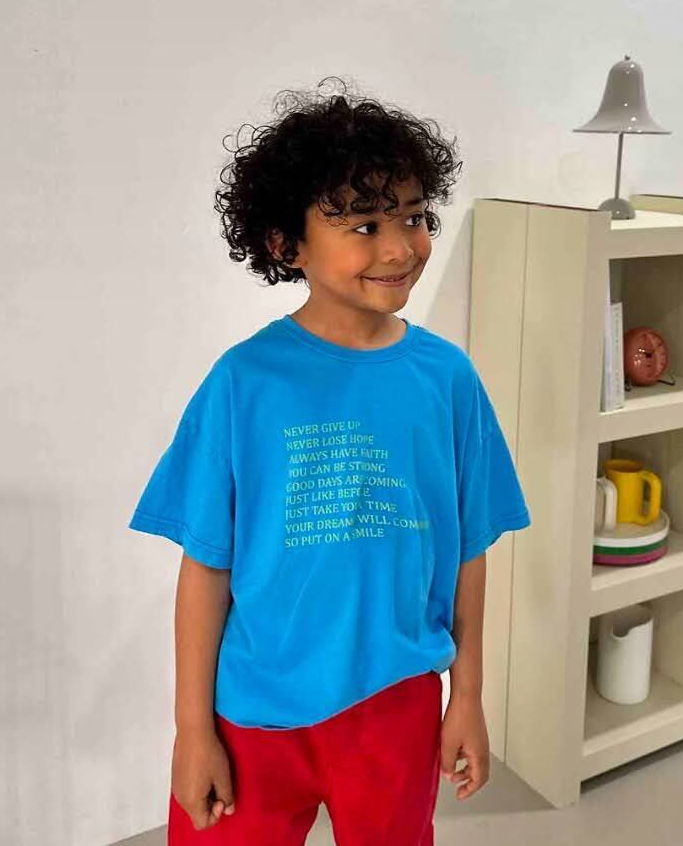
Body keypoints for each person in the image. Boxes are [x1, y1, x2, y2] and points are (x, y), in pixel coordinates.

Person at [128, 78, 532, 844]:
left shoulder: (447, 379)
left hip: (395, 702)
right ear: (287, 244)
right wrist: (192, 730)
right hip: (253, 708)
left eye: (414, 216)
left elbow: (469, 551)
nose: (399, 247)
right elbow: (206, 566)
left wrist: (468, 695)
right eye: (364, 224)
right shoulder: (243, 383)